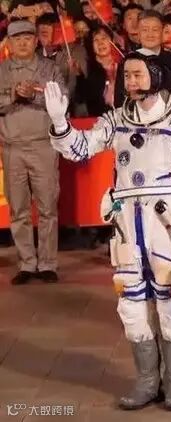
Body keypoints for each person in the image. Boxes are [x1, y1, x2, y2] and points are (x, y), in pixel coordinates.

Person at [43, 52, 171, 411]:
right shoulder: (116, 120)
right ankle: (147, 382)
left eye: (138, 74)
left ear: (158, 76)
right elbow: (80, 149)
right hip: (127, 228)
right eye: (127, 76)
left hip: (166, 226)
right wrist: (59, 122)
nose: (130, 81)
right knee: (131, 305)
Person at [0, 19, 66, 285]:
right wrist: (14, 96)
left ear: (36, 41)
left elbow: (62, 100)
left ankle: (48, 263)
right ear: (9, 43)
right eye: (17, 39)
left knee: (48, 206)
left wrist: (34, 95)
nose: (23, 43)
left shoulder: (49, 68)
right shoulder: (2, 70)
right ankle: (26, 263)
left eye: (28, 38)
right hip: (12, 147)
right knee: (18, 209)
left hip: (43, 145)